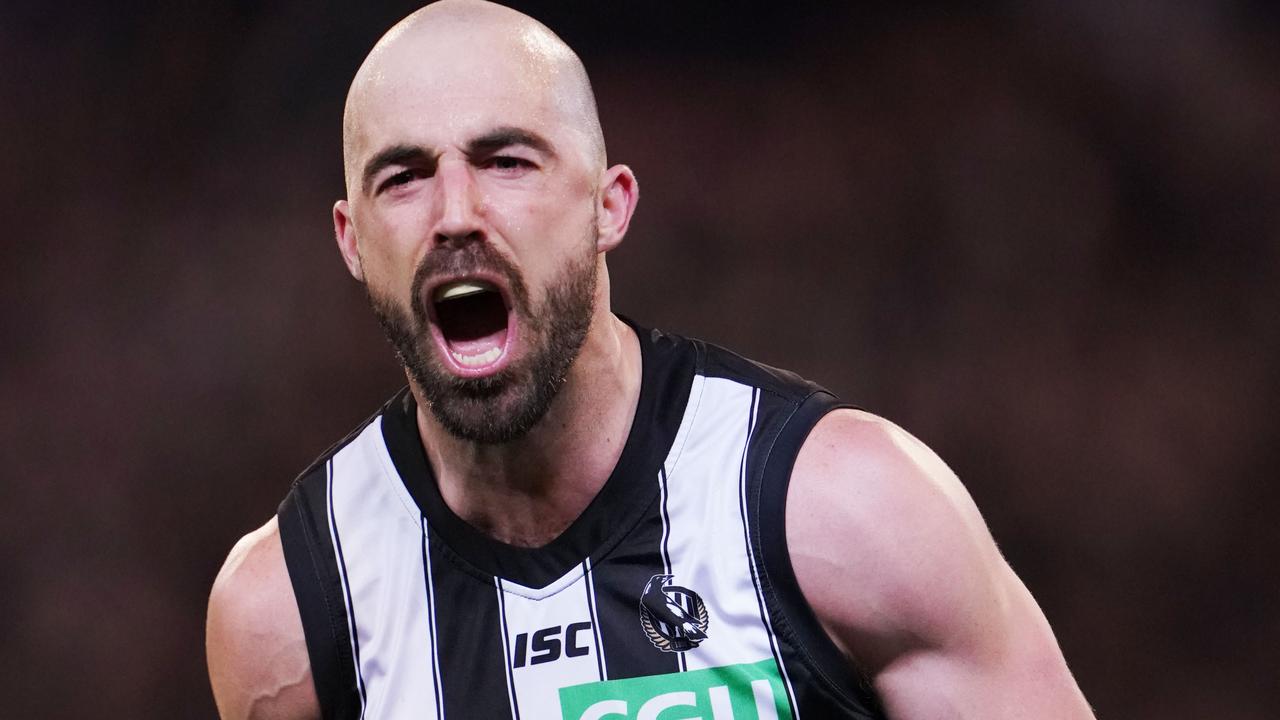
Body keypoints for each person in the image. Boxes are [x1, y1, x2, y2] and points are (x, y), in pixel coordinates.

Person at [206, 2, 1096, 718]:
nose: (455, 213)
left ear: (609, 206)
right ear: (352, 238)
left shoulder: (844, 510)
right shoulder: (286, 611)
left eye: (507, 160)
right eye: (402, 177)